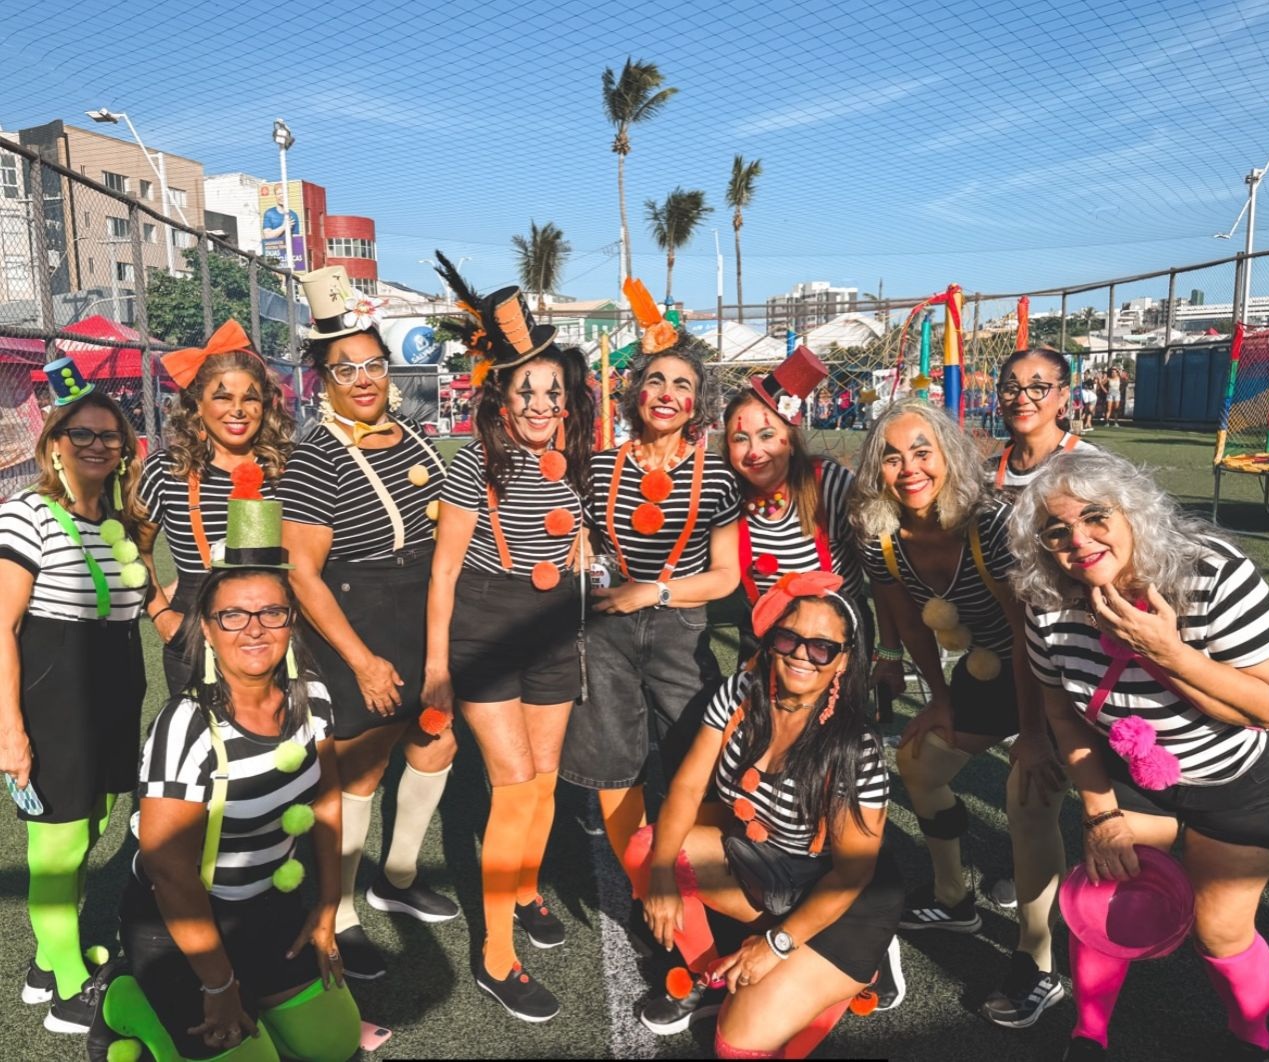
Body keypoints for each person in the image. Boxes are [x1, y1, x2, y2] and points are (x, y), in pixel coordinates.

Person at [1009, 449, 1269, 1061]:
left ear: (1134, 513)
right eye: (1056, 531)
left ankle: (1254, 1034)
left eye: (1096, 516)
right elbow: (1060, 714)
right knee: (1108, 895)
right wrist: (1100, 815)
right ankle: (1089, 1035)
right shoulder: (1046, 601)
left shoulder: (1212, 573)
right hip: (1132, 773)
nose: (1079, 539)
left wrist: (1170, 652)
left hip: (1235, 774)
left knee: (1220, 932)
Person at [104, 485, 360, 1062]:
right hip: (177, 926)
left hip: (267, 908)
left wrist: (326, 904)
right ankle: (128, 1000)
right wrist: (219, 986)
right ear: (209, 627)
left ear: (292, 621)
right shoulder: (185, 727)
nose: (254, 629)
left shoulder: (313, 697)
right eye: (233, 615)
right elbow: (171, 874)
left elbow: (326, 798)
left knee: (334, 1044)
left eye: (272, 611)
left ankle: (244, 990)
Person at [849, 397, 1067, 1030]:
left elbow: (1027, 633)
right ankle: (953, 897)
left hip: (1048, 672)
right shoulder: (878, 529)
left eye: (923, 451)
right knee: (918, 762)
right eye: (892, 456)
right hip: (985, 668)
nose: (909, 467)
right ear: (876, 469)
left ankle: (1037, 958)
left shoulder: (990, 524)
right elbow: (911, 619)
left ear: (947, 456)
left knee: (1027, 795)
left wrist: (1031, 734)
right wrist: (938, 700)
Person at [624, 573, 902, 1056]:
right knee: (649, 849)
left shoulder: (855, 747)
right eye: (789, 637)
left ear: (844, 661)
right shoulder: (741, 692)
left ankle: (858, 972)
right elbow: (688, 786)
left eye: (822, 648)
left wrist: (775, 946)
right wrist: (664, 875)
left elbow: (852, 873)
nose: (800, 654)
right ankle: (715, 977)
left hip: (839, 904)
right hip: (764, 867)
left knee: (736, 1045)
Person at [424, 256, 595, 1022]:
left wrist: (584, 539)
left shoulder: (574, 464)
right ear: (502, 395)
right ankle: (496, 955)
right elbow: (445, 571)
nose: (539, 402)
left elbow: (573, 533)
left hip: (554, 624)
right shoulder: (475, 466)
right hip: (487, 627)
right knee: (516, 781)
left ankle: (525, 890)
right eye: (525, 390)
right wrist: (436, 669)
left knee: (548, 775)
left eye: (551, 391)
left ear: (566, 401)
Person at [280, 267, 456, 981]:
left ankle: (400, 875)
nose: (362, 378)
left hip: (424, 617)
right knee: (361, 768)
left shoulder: (410, 435)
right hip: (360, 621)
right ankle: (342, 907)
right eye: (343, 368)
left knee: (434, 742)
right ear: (321, 379)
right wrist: (360, 660)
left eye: (372, 364)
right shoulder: (316, 454)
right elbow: (301, 572)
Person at [560, 277, 741, 869]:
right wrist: (580, 557)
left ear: (698, 401)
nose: (665, 393)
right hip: (606, 633)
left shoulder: (717, 476)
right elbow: (581, 546)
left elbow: (725, 578)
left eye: (681, 384)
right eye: (655, 380)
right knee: (614, 763)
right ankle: (642, 885)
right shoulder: (600, 467)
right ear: (635, 392)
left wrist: (655, 592)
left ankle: (701, 880)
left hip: (680, 634)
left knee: (699, 757)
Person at [0, 360, 149, 1033]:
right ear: (53, 443)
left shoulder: (117, 522)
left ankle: (45, 962)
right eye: (81, 434)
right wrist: (10, 732)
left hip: (114, 700)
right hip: (52, 708)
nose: (96, 446)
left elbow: (138, 609)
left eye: (109, 437)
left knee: (89, 830)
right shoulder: (27, 514)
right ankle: (68, 989)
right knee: (55, 850)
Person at [139, 319, 295, 694]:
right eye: (223, 397)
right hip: (194, 629)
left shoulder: (287, 467)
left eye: (250, 398)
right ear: (197, 404)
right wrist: (161, 614)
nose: (237, 410)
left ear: (265, 404)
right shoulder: (168, 469)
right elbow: (133, 547)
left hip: (275, 627)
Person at [720, 346, 867, 636]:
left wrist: (888, 651)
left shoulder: (829, 485)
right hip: (765, 635)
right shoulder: (726, 496)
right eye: (740, 439)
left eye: (767, 436)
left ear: (791, 440)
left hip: (836, 636)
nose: (754, 452)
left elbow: (881, 572)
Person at [988, 347, 1095, 502]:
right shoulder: (989, 470)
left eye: (1038, 388)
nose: (1022, 399)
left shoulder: (1089, 464)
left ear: (1063, 396)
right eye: (1011, 389)